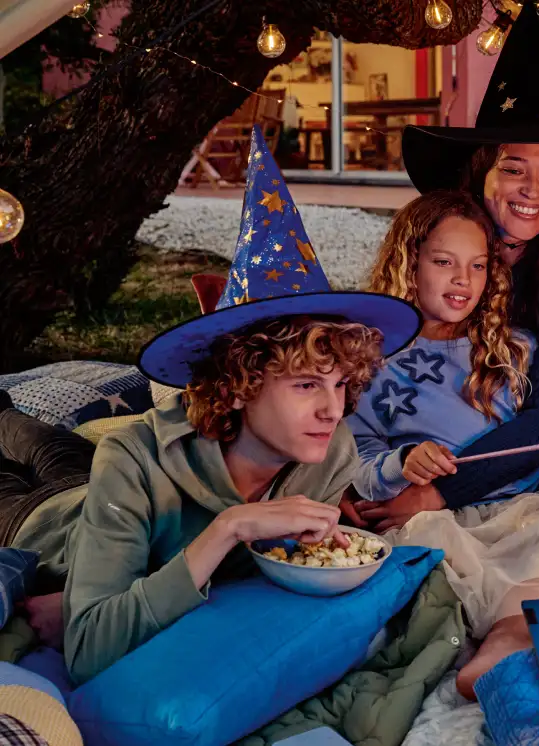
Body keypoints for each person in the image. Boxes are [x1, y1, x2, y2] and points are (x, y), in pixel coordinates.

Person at [0, 130, 420, 684]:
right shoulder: (132, 455)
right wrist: (227, 527)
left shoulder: (331, 451)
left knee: (55, 446)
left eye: (341, 385)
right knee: (17, 432)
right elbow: (89, 648)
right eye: (304, 386)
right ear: (241, 384)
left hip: (91, 482)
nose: (331, 410)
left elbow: (257, 576)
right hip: (40, 522)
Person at [346, 191, 539, 700]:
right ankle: (517, 630)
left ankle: (510, 632)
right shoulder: (371, 363)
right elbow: (358, 458)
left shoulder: (512, 348)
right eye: (444, 262)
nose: (463, 280)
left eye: (478, 265)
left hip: (518, 510)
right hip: (436, 517)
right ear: (408, 263)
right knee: (422, 545)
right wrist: (400, 462)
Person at [365, 1, 539, 527]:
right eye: (514, 169)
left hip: (504, 474)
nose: (532, 191)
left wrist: (438, 494)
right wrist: (371, 472)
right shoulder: (433, 245)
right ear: (480, 170)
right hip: (404, 454)